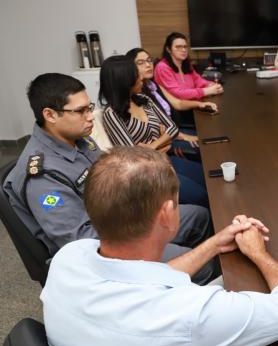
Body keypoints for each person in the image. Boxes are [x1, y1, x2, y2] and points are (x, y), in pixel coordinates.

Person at [41, 146, 278, 346]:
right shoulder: (190, 316)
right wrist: (258, 253)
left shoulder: (69, 257)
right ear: (166, 214)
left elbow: (145, 279)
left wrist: (212, 245)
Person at [2, 74, 212, 266]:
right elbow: (80, 241)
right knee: (203, 264)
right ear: (50, 115)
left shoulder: (81, 141)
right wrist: (142, 232)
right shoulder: (42, 176)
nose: (91, 116)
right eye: (81, 111)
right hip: (104, 248)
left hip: (121, 219)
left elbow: (113, 178)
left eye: (89, 107)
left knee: (199, 217)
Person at [99, 55, 209, 208]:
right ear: (124, 81)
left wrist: (152, 146)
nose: (141, 79)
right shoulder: (112, 114)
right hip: (150, 173)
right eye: (136, 76)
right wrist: (163, 144)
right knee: (201, 196)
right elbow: (132, 156)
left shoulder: (144, 99)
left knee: (207, 179)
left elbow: (172, 127)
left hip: (165, 158)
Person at [126, 47, 218, 153]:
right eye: (140, 62)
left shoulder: (152, 84)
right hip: (167, 139)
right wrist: (184, 137)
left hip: (175, 128)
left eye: (149, 60)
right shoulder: (138, 95)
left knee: (211, 132)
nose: (148, 65)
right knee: (206, 146)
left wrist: (199, 104)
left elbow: (177, 103)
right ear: (130, 69)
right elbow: (159, 129)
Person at [154, 31, 224, 100]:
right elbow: (177, 94)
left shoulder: (186, 63)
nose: (184, 50)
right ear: (168, 49)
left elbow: (197, 80)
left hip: (190, 104)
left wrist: (211, 85)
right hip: (174, 109)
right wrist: (206, 91)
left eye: (185, 46)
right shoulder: (162, 67)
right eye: (178, 47)